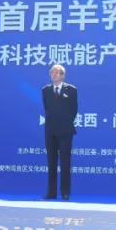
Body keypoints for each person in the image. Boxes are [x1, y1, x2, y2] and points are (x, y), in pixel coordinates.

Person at [42, 64, 77, 200]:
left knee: (65, 162)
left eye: (57, 73)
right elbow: (47, 108)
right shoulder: (45, 90)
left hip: (66, 132)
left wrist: (64, 124)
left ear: (63, 75)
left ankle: (65, 192)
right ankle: (51, 192)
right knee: (51, 162)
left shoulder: (71, 89)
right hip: (50, 131)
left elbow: (74, 110)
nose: (54, 75)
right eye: (52, 73)